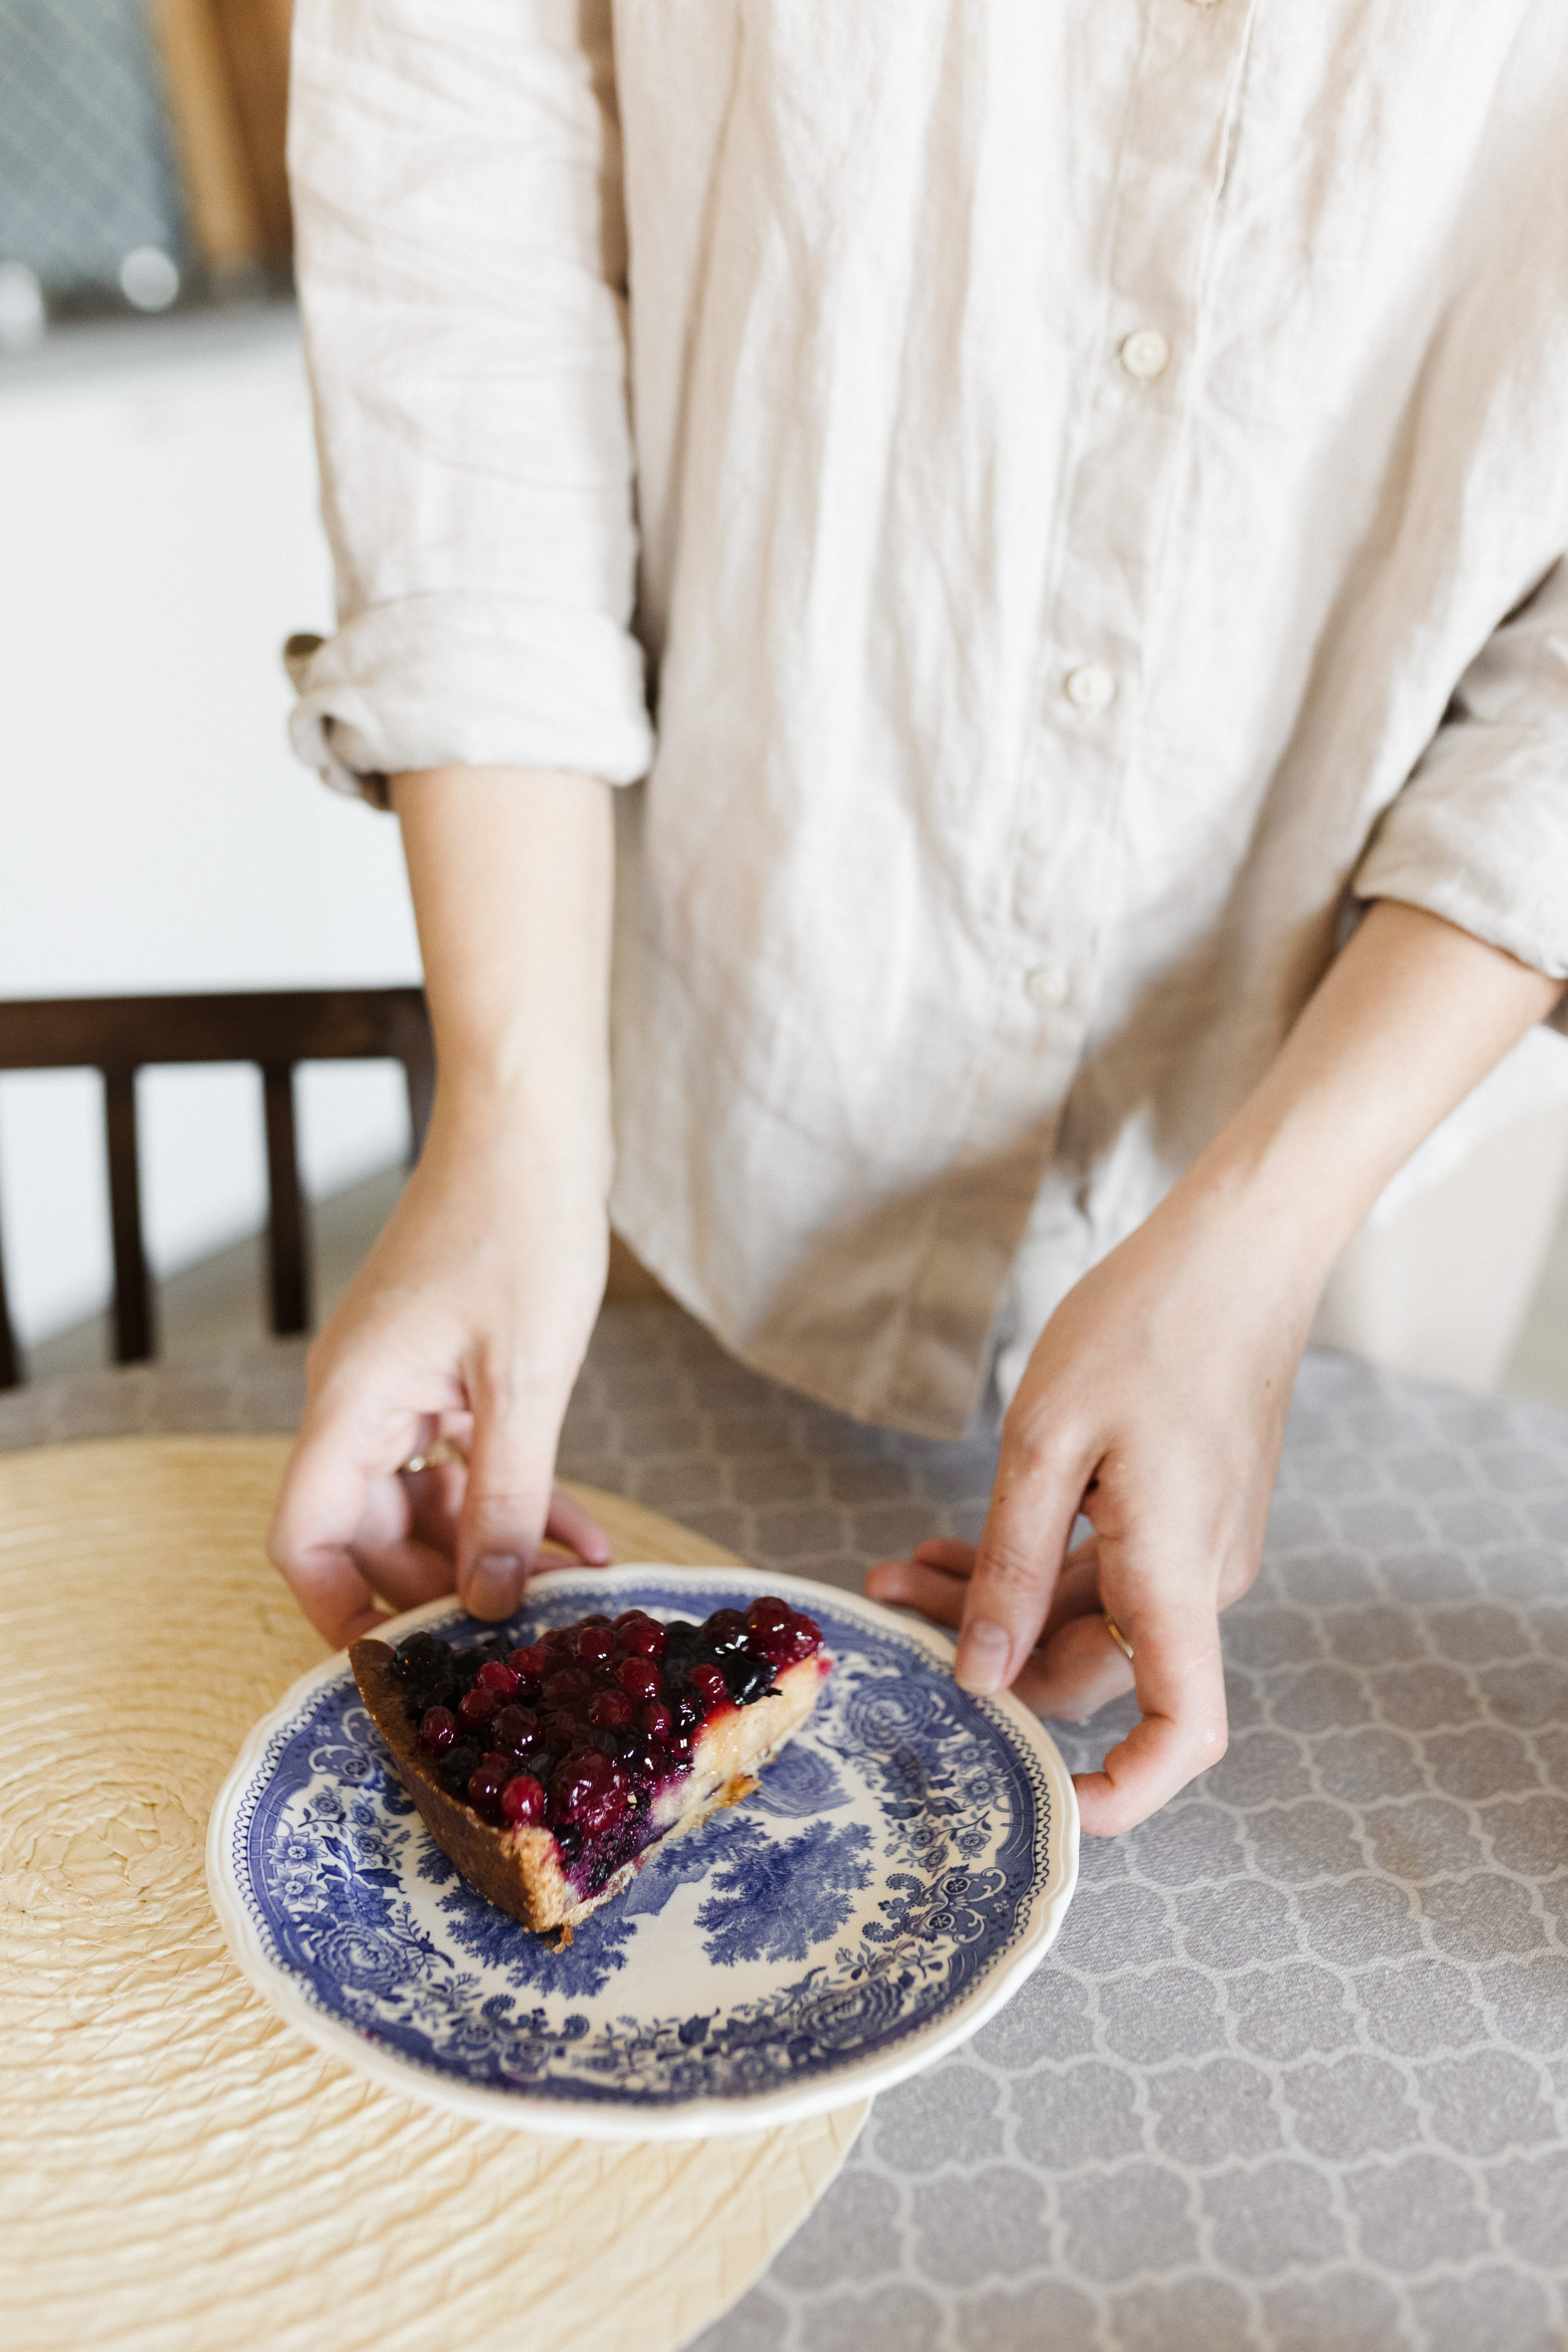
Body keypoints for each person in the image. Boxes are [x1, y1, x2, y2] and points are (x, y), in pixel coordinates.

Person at [269, 1, 1568, 1835]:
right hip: (699, 1059)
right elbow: (455, 207)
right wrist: (514, 1104)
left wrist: (1272, 1233)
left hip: (1381, 1081)